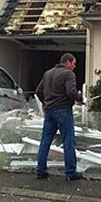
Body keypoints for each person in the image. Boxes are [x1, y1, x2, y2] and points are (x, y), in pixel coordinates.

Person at [35, 53, 83, 181]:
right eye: (73, 63)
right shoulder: (68, 74)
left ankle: (41, 171)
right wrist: (80, 98)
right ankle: (70, 172)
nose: (74, 66)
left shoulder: (48, 73)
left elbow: (38, 91)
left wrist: (46, 102)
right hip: (63, 110)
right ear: (67, 62)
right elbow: (71, 92)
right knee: (68, 141)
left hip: (49, 111)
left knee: (45, 141)